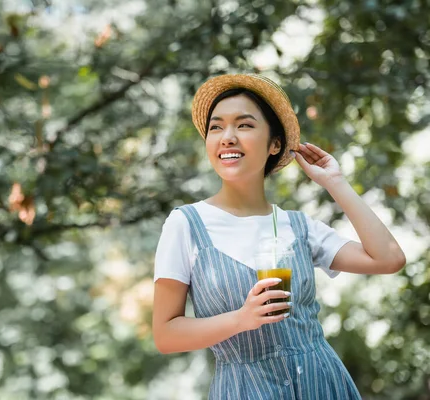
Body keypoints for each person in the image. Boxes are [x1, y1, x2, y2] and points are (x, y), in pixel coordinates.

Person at [151, 74, 406, 399]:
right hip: (244, 390)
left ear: (275, 144)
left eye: (244, 125)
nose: (227, 137)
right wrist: (241, 319)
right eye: (216, 127)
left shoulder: (297, 226)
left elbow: (388, 258)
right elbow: (165, 334)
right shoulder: (185, 224)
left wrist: (336, 183)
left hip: (323, 385)